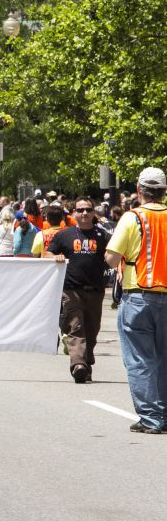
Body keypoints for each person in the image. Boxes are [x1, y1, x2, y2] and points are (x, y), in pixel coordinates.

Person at [105, 167, 166, 434]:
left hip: (138, 295)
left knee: (140, 359)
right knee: (164, 358)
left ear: (140, 190)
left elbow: (111, 258)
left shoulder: (132, 218)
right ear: (163, 192)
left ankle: (151, 417)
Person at [45, 197, 111, 383]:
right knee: (76, 327)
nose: (84, 213)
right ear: (74, 213)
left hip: (96, 290)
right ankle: (78, 365)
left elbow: (116, 253)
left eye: (88, 210)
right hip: (71, 290)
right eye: (80, 210)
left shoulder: (103, 235)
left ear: (93, 212)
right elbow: (47, 252)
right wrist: (54, 257)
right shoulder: (64, 235)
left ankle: (85, 363)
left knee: (91, 331)